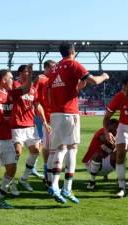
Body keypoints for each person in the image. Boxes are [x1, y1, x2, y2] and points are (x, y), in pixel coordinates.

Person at [47, 42, 109, 204]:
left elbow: (54, 90)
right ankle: (66, 187)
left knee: (59, 148)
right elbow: (94, 81)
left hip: (55, 113)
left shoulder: (54, 69)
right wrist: (104, 76)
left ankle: (55, 185)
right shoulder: (73, 64)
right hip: (69, 112)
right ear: (73, 52)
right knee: (72, 148)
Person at [0, 68, 33, 212]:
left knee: (11, 168)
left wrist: (30, 74)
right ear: (3, 80)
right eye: (10, 78)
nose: (13, 80)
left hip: (8, 137)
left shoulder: (11, 93)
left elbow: (26, 88)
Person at [9, 65, 50, 195]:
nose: (28, 73)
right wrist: (32, 78)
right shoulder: (14, 84)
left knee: (36, 151)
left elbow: (37, 104)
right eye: (26, 72)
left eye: (29, 72)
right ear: (20, 73)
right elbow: (23, 90)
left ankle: (24, 179)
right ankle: (10, 182)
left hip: (30, 126)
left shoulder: (33, 88)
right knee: (16, 153)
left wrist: (44, 121)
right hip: (17, 125)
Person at [82, 119, 128, 190]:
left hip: (105, 167)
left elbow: (124, 149)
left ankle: (120, 181)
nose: (116, 129)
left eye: (117, 127)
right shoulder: (102, 132)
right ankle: (92, 181)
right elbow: (104, 138)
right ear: (108, 126)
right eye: (114, 127)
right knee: (98, 154)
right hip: (91, 165)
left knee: (121, 154)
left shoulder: (117, 134)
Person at [34, 60, 56, 187]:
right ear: (46, 68)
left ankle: (48, 172)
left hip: (52, 116)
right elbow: (36, 99)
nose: (54, 69)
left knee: (49, 145)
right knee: (45, 144)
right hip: (41, 117)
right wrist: (41, 117)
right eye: (52, 67)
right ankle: (47, 172)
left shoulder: (54, 79)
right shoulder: (41, 79)